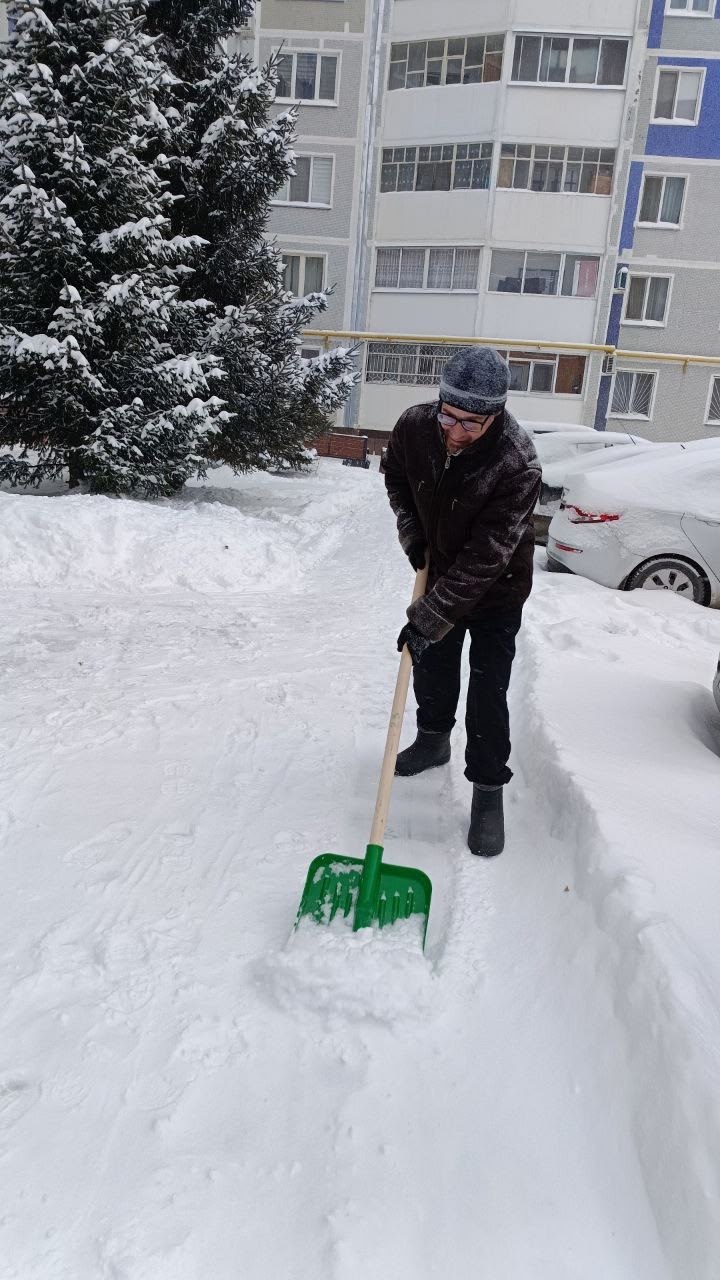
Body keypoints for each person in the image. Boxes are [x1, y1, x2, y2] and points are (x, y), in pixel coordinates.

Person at [383, 346, 542, 857]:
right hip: (440, 569)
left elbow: (487, 555)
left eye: (471, 423)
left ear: (495, 414)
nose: (455, 432)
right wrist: (413, 533)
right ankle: (433, 740)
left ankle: (488, 789)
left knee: (488, 691)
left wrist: (430, 616)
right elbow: (396, 477)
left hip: (497, 588)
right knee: (432, 665)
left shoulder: (516, 461)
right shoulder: (414, 426)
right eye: (448, 416)